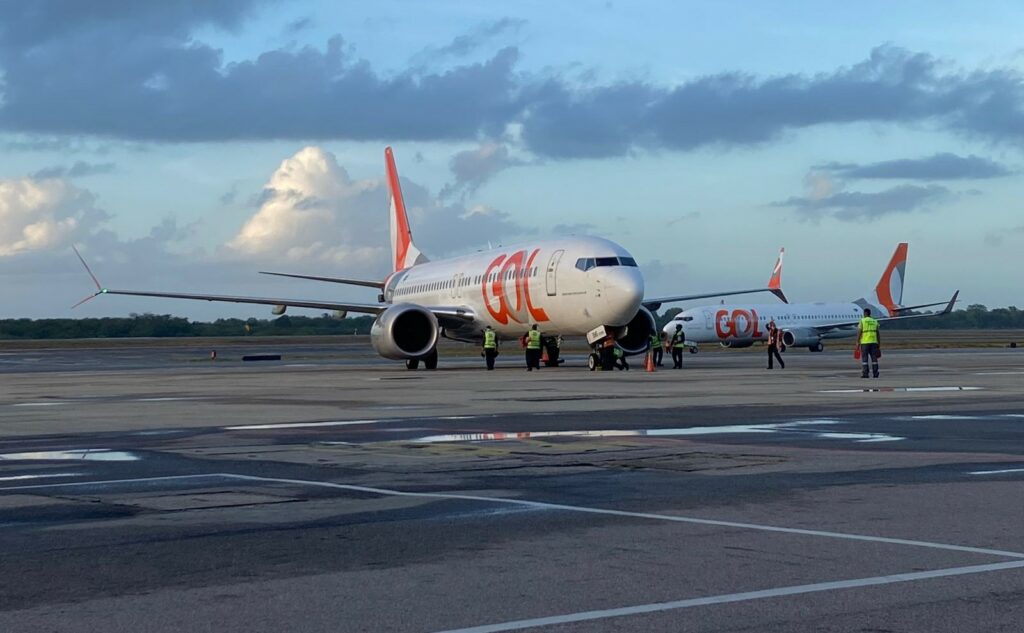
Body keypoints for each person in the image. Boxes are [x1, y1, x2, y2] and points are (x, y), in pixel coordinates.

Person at [857, 308, 881, 378]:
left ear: (865, 313)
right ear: (870, 313)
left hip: (865, 342)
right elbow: (877, 333)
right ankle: (875, 373)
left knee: (865, 359)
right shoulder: (875, 321)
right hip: (874, 342)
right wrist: (879, 343)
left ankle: (865, 373)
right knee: (874, 358)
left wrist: (857, 342)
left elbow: (859, 332)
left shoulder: (862, 321)